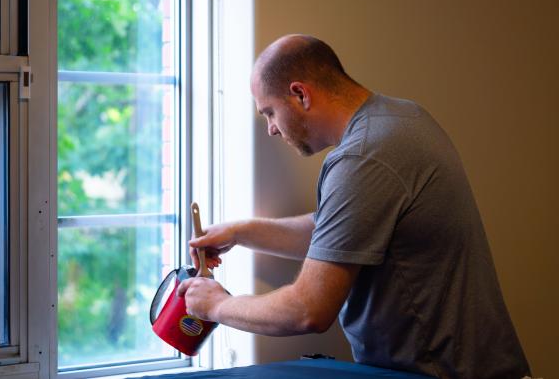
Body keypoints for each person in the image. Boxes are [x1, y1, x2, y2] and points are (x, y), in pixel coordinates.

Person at [176, 34, 531, 378]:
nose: (270, 128)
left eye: (269, 112)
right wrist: (240, 233)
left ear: (300, 94)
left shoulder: (364, 156)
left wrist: (217, 305)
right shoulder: (402, 118)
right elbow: (337, 231)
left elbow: (307, 310)